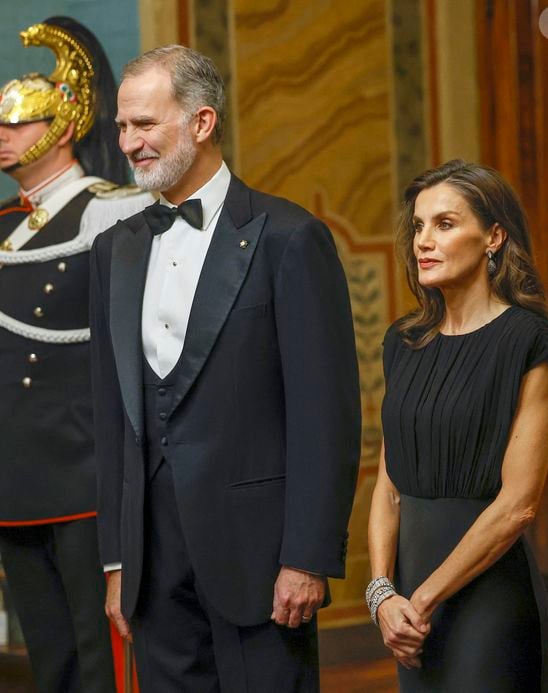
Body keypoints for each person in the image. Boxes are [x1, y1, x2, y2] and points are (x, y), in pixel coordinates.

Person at [89, 45, 361, 692]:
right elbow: (110, 415)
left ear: (202, 122)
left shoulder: (288, 238)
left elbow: (325, 415)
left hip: (261, 558)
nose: (129, 143)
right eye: (123, 126)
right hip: (151, 563)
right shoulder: (113, 251)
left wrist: (307, 555)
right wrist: (118, 559)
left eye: (146, 124)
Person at [367, 159, 548, 692]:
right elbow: (389, 487)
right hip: (408, 605)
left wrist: (424, 598)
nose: (423, 242)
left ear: (494, 237)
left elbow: (519, 504)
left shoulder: (529, 342)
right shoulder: (403, 343)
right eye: (418, 226)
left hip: (489, 604)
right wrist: (382, 594)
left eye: (445, 224)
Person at [0, 17, 152, 693]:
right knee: (48, 660)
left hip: (87, 477)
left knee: (102, 661)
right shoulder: (6, 225)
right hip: (16, 477)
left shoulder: (116, 214)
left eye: (18, 122)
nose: (3, 134)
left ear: (62, 127)